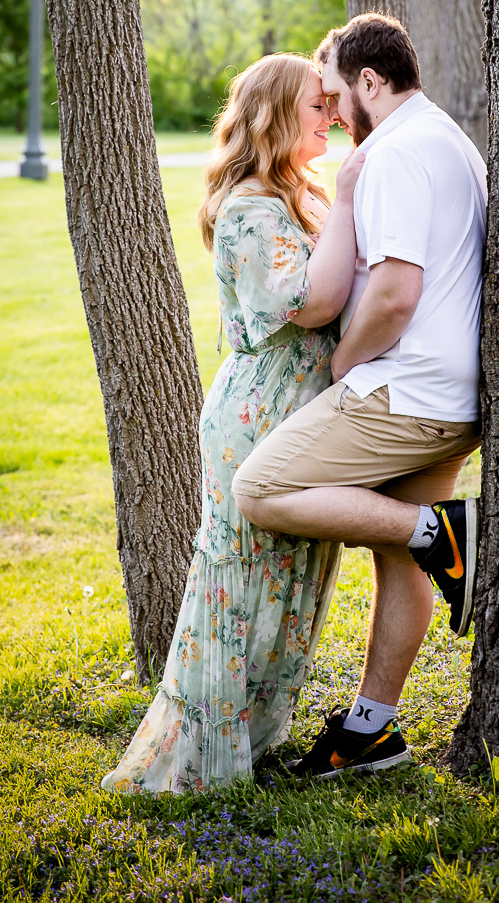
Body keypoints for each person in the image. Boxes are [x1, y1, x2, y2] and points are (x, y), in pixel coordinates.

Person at [233, 13, 487, 780]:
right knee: (401, 554)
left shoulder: (398, 153)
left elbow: (395, 294)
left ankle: (451, 533)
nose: (333, 112)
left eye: (339, 94)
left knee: (260, 488)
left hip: (406, 391)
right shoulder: (446, 136)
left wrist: (345, 362)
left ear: (372, 82)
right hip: (453, 397)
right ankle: (371, 730)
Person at [101, 53, 363, 794]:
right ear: (277, 115)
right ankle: (204, 764)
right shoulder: (250, 204)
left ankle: (251, 736)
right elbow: (305, 304)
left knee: (291, 581)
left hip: (303, 411)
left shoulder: (295, 193)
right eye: (318, 105)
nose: (333, 116)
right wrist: (346, 200)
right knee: (238, 585)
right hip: (259, 414)